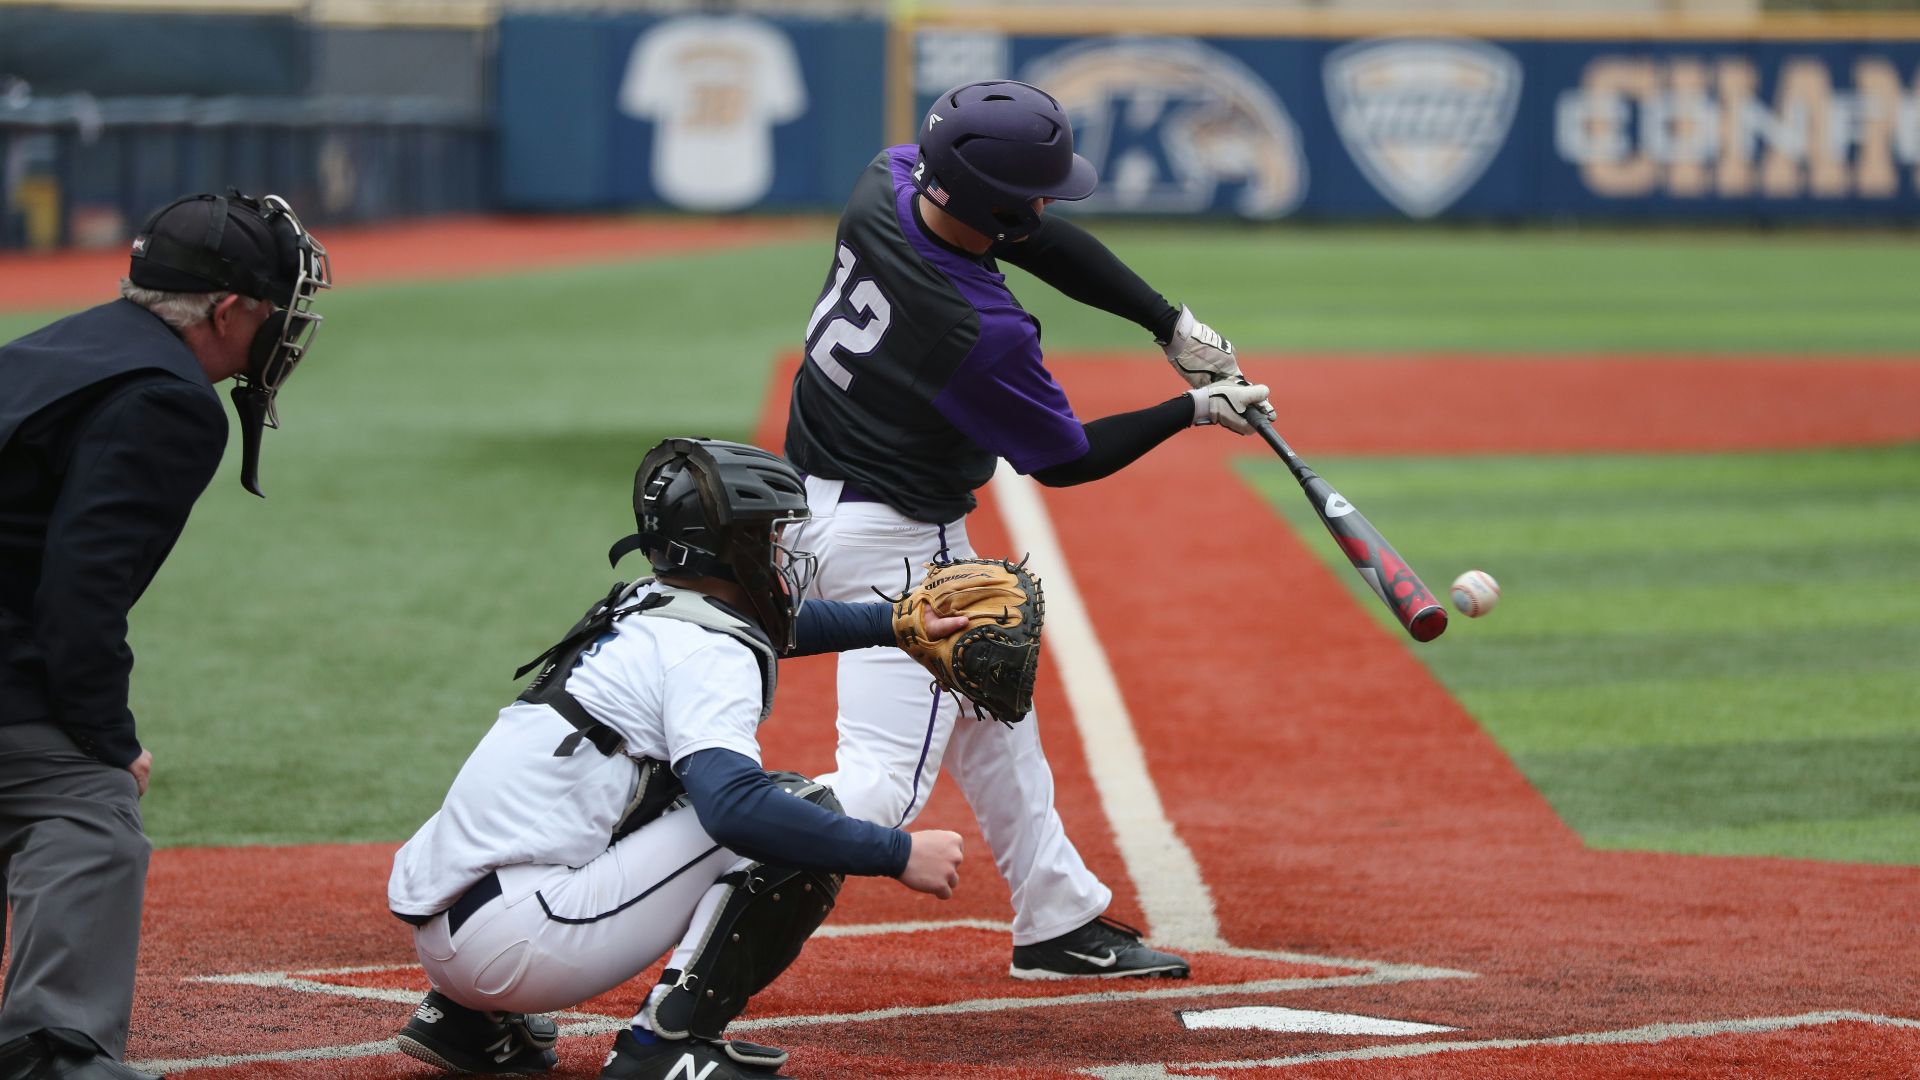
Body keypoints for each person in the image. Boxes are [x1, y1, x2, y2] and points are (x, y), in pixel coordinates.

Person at [784, 79, 1272, 981]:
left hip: (806, 505)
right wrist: (1194, 409)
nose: (1048, 205)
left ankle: (1057, 916)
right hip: (900, 545)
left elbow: (1029, 234)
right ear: (993, 205)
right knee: (880, 787)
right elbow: (1064, 460)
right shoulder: (981, 331)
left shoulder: (886, 181)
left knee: (991, 702)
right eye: (1035, 193)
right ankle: (694, 843)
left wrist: (1167, 323)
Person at [388, 438, 968, 1080]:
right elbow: (736, 810)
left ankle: (467, 1023)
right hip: (521, 943)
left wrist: (898, 622)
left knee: (657, 787)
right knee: (787, 809)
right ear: (734, 548)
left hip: (452, 928)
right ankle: (664, 1043)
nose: (783, 551)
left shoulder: (644, 603)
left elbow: (780, 626)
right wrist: (898, 853)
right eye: (772, 535)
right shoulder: (707, 655)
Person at [0, 191, 330, 1080]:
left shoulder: (68, 345)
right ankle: (53, 1050)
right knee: (86, 808)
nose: (287, 327)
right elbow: (81, 594)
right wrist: (107, 740)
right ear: (227, 312)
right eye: (275, 307)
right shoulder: (167, 399)